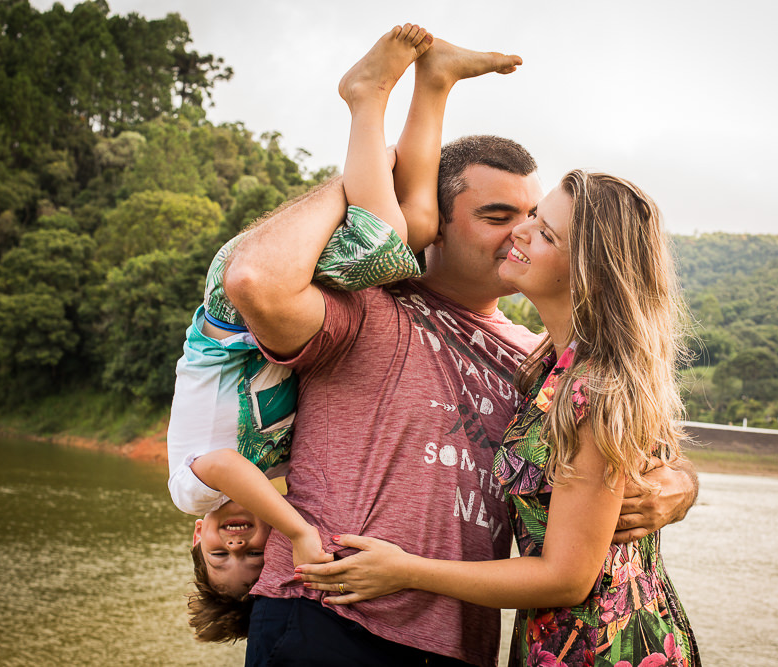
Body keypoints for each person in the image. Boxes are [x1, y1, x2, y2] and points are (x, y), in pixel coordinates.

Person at [225, 27, 699, 667]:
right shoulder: (370, 310)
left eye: (535, 220)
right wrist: (371, 182)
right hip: (330, 619)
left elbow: (636, 449)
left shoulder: (543, 360)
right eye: (498, 217)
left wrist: (677, 487)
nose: (520, 234)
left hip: (462, 643)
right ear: (433, 226)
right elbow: (256, 281)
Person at [299, 171, 702, 667]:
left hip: (606, 648)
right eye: (533, 216)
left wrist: (405, 571)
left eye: (546, 233)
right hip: (555, 640)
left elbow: (566, 578)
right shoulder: (546, 369)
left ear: (590, 272)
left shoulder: (594, 389)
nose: (521, 231)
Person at [167, 23, 440, 642]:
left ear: (197, 537)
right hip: (276, 313)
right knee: (416, 231)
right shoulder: (279, 466)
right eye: (251, 559)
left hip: (229, 315)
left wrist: (294, 531)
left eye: (219, 556)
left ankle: (365, 97)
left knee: (385, 240)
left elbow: (225, 464)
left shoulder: (192, 492)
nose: (237, 546)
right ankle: (435, 82)